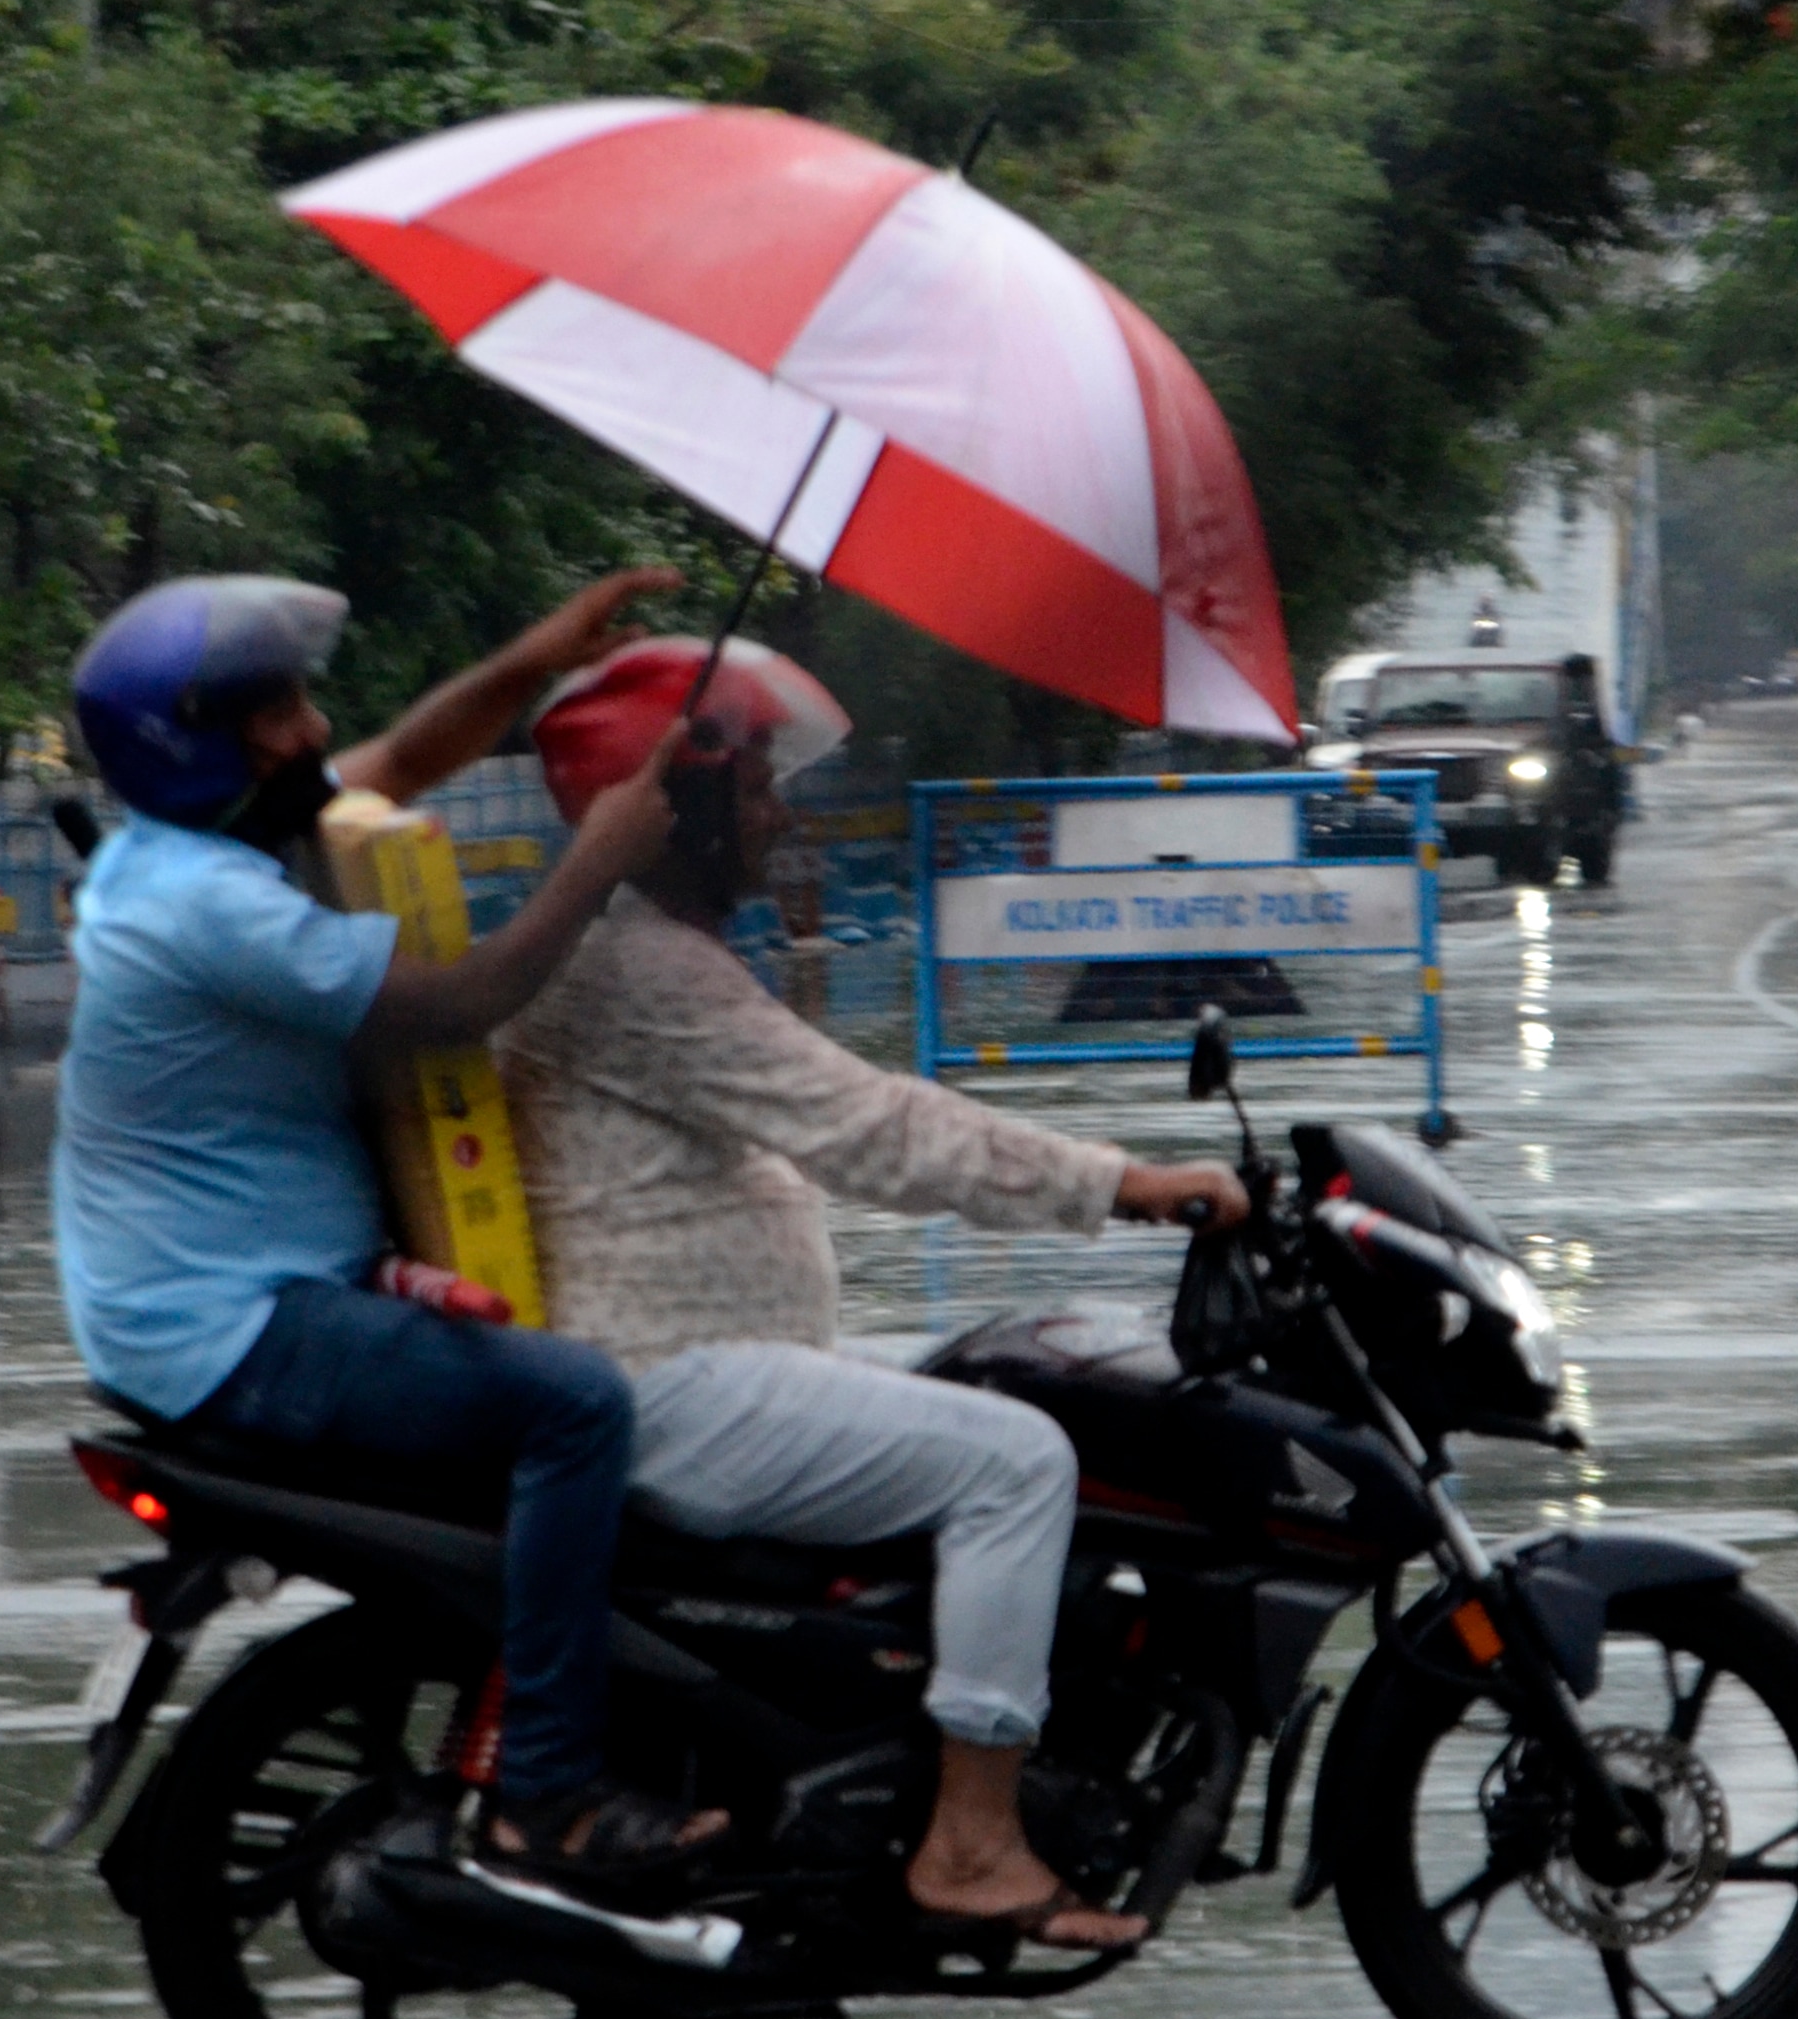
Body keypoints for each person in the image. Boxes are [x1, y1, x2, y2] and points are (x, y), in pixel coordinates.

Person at [494, 637, 1251, 1953]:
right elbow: (872, 1132)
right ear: (675, 805)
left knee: (993, 1371)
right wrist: (1125, 1185)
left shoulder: (648, 957)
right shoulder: (635, 971)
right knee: (1021, 1460)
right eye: (758, 791)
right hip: (672, 1382)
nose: (782, 816)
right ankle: (967, 1844)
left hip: (697, 1362)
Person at [52, 564, 716, 1899]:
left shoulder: (190, 846)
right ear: (200, 743)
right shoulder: (215, 909)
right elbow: (470, 997)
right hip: (235, 1326)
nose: (308, 730)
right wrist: (603, 856)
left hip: (207, 1295)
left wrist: (538, 653)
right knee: (577, 1409)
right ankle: (546, 1796)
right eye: (278, 710)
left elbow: (407, 755)